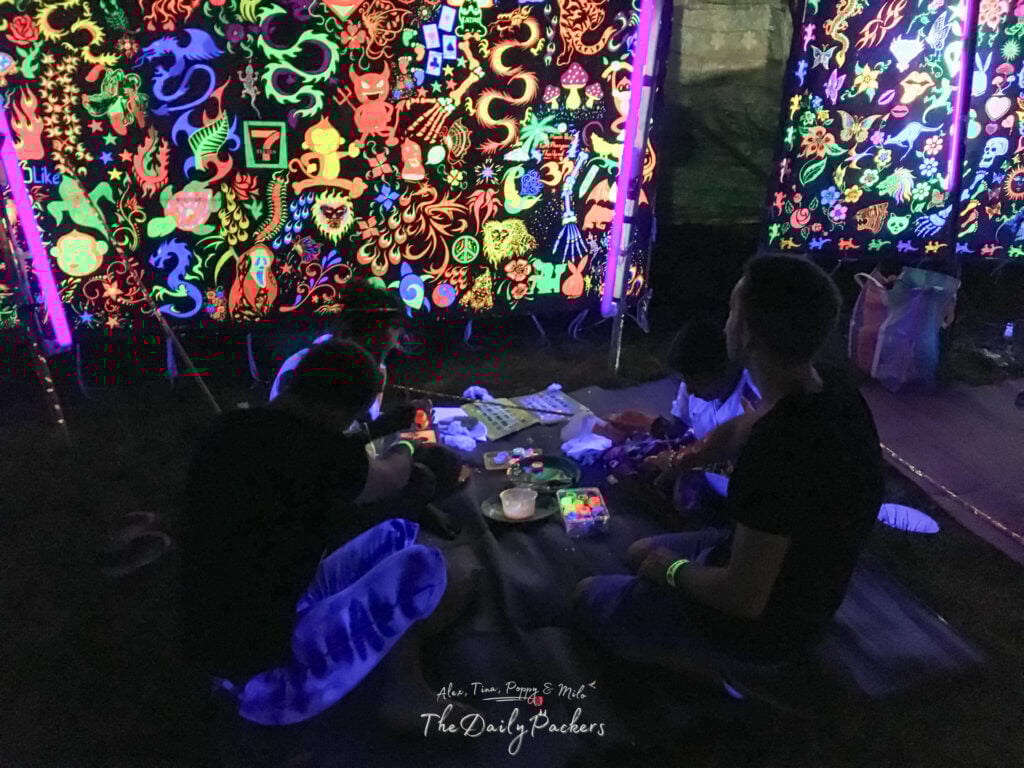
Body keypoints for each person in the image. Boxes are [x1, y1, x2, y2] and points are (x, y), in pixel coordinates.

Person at [574, 254, 885, 667]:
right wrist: (685, 458)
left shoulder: (780, 452)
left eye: (732, 310)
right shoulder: (829, 388)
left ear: (748, 335)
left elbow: (744, 597)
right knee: (637, 553)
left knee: (586, 595)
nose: (725, 323)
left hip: (769, 625)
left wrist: (673, 571)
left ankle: (716, 674)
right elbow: (745, 426)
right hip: (794, 569)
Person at [182, 339, 469, 730]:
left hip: (226, 633)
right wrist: (407, 445)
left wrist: (381, 427)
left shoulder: (231, 428)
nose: (348, 425)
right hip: (268, 680)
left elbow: (322, 452)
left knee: (397, 532)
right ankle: (402, 693)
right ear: (334, 412)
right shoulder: (318, 451)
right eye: (349, 416)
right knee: (423, 567)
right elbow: (390, 476)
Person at [268, 278, 414, 436]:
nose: (397, 341)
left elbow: (355, 431)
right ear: (371, 332)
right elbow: (326, 445)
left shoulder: (365, 368)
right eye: (381, 353)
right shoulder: (311, 368)